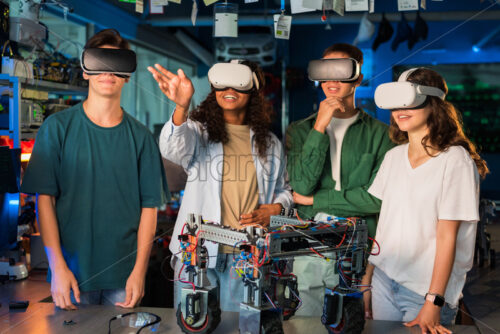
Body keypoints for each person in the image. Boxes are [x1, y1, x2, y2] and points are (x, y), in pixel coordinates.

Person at [21, 29, 168, 310]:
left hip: (124, 281)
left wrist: (138, 273)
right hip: (72, 278)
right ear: (86, 71)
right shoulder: (57, 129)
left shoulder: (142, 138)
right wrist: (58, 268)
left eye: (116, 64)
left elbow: (149, 209)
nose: (107, 72)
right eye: (99, 62)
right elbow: (44, 201)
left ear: (127, 74)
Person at [148, 60, 292, 311]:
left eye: (239, 82)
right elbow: (172, 148)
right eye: (222, 82)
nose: (230, 88)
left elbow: (284, 190)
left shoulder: (270, 143)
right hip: (196, 252)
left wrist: (277, 208)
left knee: (241, 327)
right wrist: (182, 106)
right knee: (194, 324)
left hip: (245, 256)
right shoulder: (198, 131)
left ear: (254, 91)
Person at [363, 68, 489, 333]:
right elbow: (385, 226)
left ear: (434, 104)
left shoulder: (454, 160)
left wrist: (434, 301)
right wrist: (368, 278)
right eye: (395, 102)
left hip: (424, 290)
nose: (400, 109)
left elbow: (447, 237)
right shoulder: (393, 157)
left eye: (408, 100)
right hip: (384, 280)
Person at [285, 43, 394, 316]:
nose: (332, 79)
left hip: (358, 243)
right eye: (326, 71)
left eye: (341, 70)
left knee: (349, 321)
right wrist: (320, 126)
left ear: (357, 77)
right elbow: (301, 185)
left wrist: (316, 200)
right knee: (304, 322)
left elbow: (376, 199)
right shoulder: (299, 131)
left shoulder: (383, 135)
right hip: (308, 241)